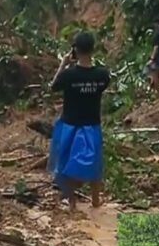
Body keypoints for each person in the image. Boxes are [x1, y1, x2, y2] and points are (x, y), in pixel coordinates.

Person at [48, 30, 111, 210]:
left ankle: (71, 201)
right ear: (93, 49)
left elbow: (53, 87)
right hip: (92, 125)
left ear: (75, 49)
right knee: (94, 164)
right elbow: (102, 87)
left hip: (70, 126)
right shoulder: (102, 75)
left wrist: (63, 64)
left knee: (68, 163)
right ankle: (95, 201)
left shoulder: (69, 75)